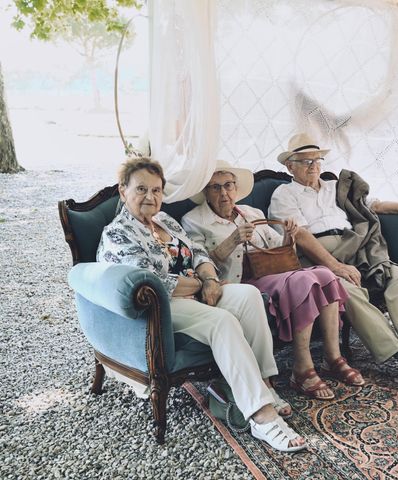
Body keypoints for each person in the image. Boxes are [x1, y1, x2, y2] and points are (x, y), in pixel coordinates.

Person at [96, 157, 305, 453]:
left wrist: (209, 278)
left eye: (156, 190)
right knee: (222, 322)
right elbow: (156, 281)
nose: (150, 197)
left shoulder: (165, 220)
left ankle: (265, 384)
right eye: (141, 189)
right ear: (123, 191)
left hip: (197, 290)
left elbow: (198, 253)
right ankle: (261, 416)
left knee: (247, 296)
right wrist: (203, 285)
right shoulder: (119, 233)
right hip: (161, 307)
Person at [269, 133, 398, 390]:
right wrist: (336, 266)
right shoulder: (284, 193)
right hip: (317, 258)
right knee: (344, 289)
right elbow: (302, 236)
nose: (313, 166)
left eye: (317, 160)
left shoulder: (335, 187)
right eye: (305, 161)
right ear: (290, 166)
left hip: (356, 247)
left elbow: (372, 205)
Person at [182, 161, 364, 401]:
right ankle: (301, 368)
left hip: (271, 274)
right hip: (238, 283)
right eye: (215, 188)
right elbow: (199, 262)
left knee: (325, 274)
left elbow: (278, 251)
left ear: (236, 188)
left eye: (228, 185)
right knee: (304, 281)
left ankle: (333, 357)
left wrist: (289, 236)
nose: (224, 193)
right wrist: (232, 241)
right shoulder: (194, 221)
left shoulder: (251, 213)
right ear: (205, 192)